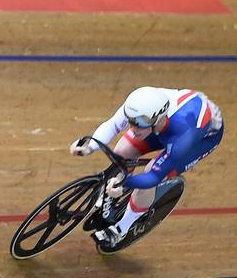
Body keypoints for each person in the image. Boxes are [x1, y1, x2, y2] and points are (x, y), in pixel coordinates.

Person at [70, 86, 223, 251]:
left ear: (157, 118)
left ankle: (122, 228)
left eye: (140, 124)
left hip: (198, 139)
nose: (133, 128)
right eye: (131, 121)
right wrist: (91, 145)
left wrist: (126, 183)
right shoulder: (139, 107)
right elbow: (113, 124)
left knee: (151, 170)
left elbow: (153, 177)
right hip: (167, 125)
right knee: (122, 151)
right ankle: (113, 200)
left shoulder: (183, 135)